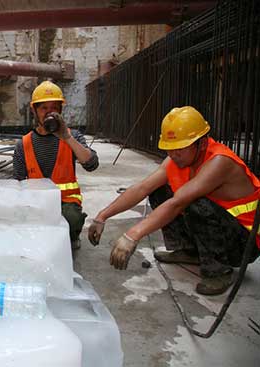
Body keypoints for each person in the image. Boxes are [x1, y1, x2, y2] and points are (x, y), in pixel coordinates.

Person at [88, 106, 260, 295]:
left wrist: (132, 235)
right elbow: (143, 188)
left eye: (180, 149)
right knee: (159, 190)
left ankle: (218, 270)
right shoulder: (181, 158)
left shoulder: (219, 162)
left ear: (201, 143)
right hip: (224, 228)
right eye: (170, 149)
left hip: (245, 242)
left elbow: (178, 203)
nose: (173, 154)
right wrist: (102, 216)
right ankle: (190, 251)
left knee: (194, 203)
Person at [13, 80, 99, 251]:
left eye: (53, 108)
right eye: (43, 108)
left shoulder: (72, 136)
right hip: (36, 202)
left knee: (70, 219)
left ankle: (71, 236)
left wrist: (66, 137)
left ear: (60, 110)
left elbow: (92, 164)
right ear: (34, 110)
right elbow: (17, 182)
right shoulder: (24, 144)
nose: (48, 113)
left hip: (65, 203)